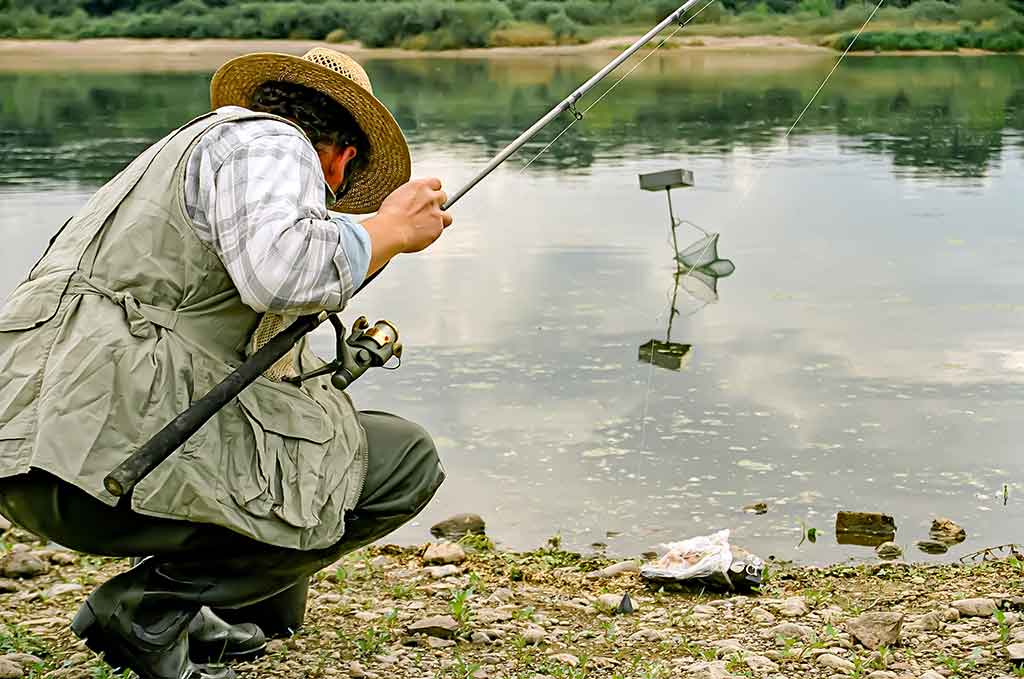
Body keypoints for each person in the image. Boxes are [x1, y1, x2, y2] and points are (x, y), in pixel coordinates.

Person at [0, 48, 450, 679]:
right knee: (405, 460)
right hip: (103, 473)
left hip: (32, 461)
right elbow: (282, 271)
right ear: (342, 157)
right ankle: (148, 611)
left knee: (282, 593)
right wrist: (387, 232)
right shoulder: (274, 142)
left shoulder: (179, 158)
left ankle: (192, 611)